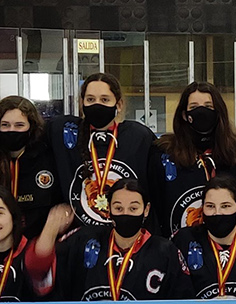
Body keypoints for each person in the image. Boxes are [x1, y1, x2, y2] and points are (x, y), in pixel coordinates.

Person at [57, 72, 160, 231]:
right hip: (84, 240)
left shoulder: (139, 136)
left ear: (118, 105)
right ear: (81, 103)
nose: (97, 105)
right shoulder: (66, 132)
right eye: (90, 99)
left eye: (105, 99)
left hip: (129, 238)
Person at [61, 177, 189, 300]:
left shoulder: (165, 252)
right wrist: (48, 234)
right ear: (109, 209)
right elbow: (48, 277)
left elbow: (183, 303)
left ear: (146, 210)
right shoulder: (85, 240)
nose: (125, 214)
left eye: (133, 208)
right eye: (118, 208)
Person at [155, 81, 236, 236]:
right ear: (184, 115)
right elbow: (155, 204)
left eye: (208, 107)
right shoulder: (163, 152)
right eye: (193, 107)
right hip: (176, 247)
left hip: (227, 249)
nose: (201, 112)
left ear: (218, 112)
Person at [0, 94, 58, 238]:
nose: (12, 130)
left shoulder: (47, 157)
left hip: (35, 240)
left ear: (31, 126)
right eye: (5, 125)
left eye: (19, 125)